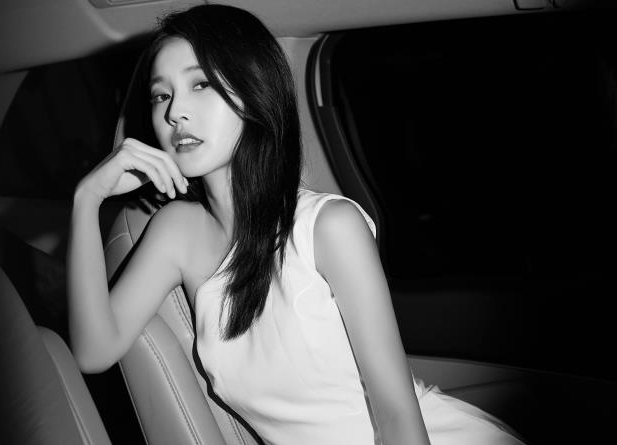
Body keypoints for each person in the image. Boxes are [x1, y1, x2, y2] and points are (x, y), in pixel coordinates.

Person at [67, 4, 525, 445]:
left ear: (253, 92)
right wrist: (87, 199)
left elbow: (396, 415)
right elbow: (93, 351)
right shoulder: (177, 232)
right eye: (161, 95)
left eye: (200, 84)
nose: (174, 112)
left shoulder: (330, 227)